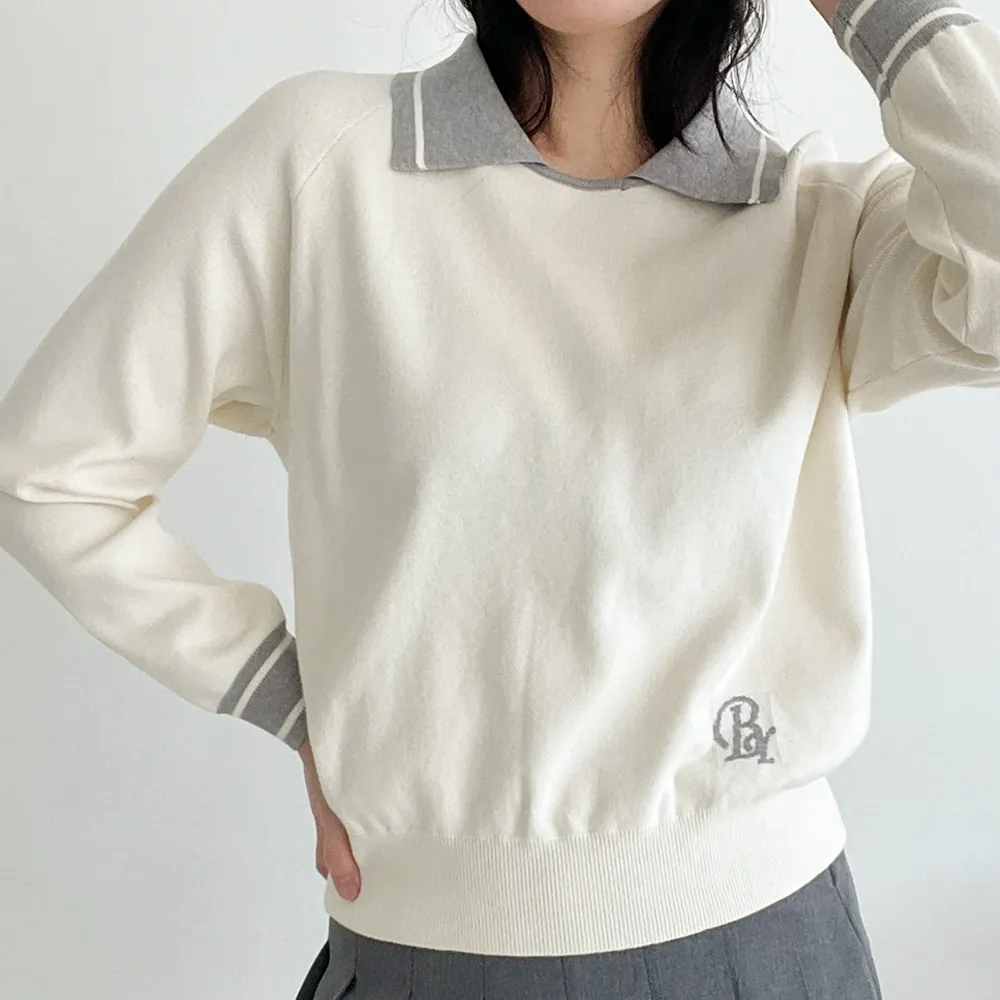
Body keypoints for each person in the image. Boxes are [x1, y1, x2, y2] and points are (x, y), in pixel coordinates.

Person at [1, 0, 998, 995]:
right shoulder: (320, 165)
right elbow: (46, 472)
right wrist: (295, 704)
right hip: (426, 952)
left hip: (764, 945)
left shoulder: (812, 216)